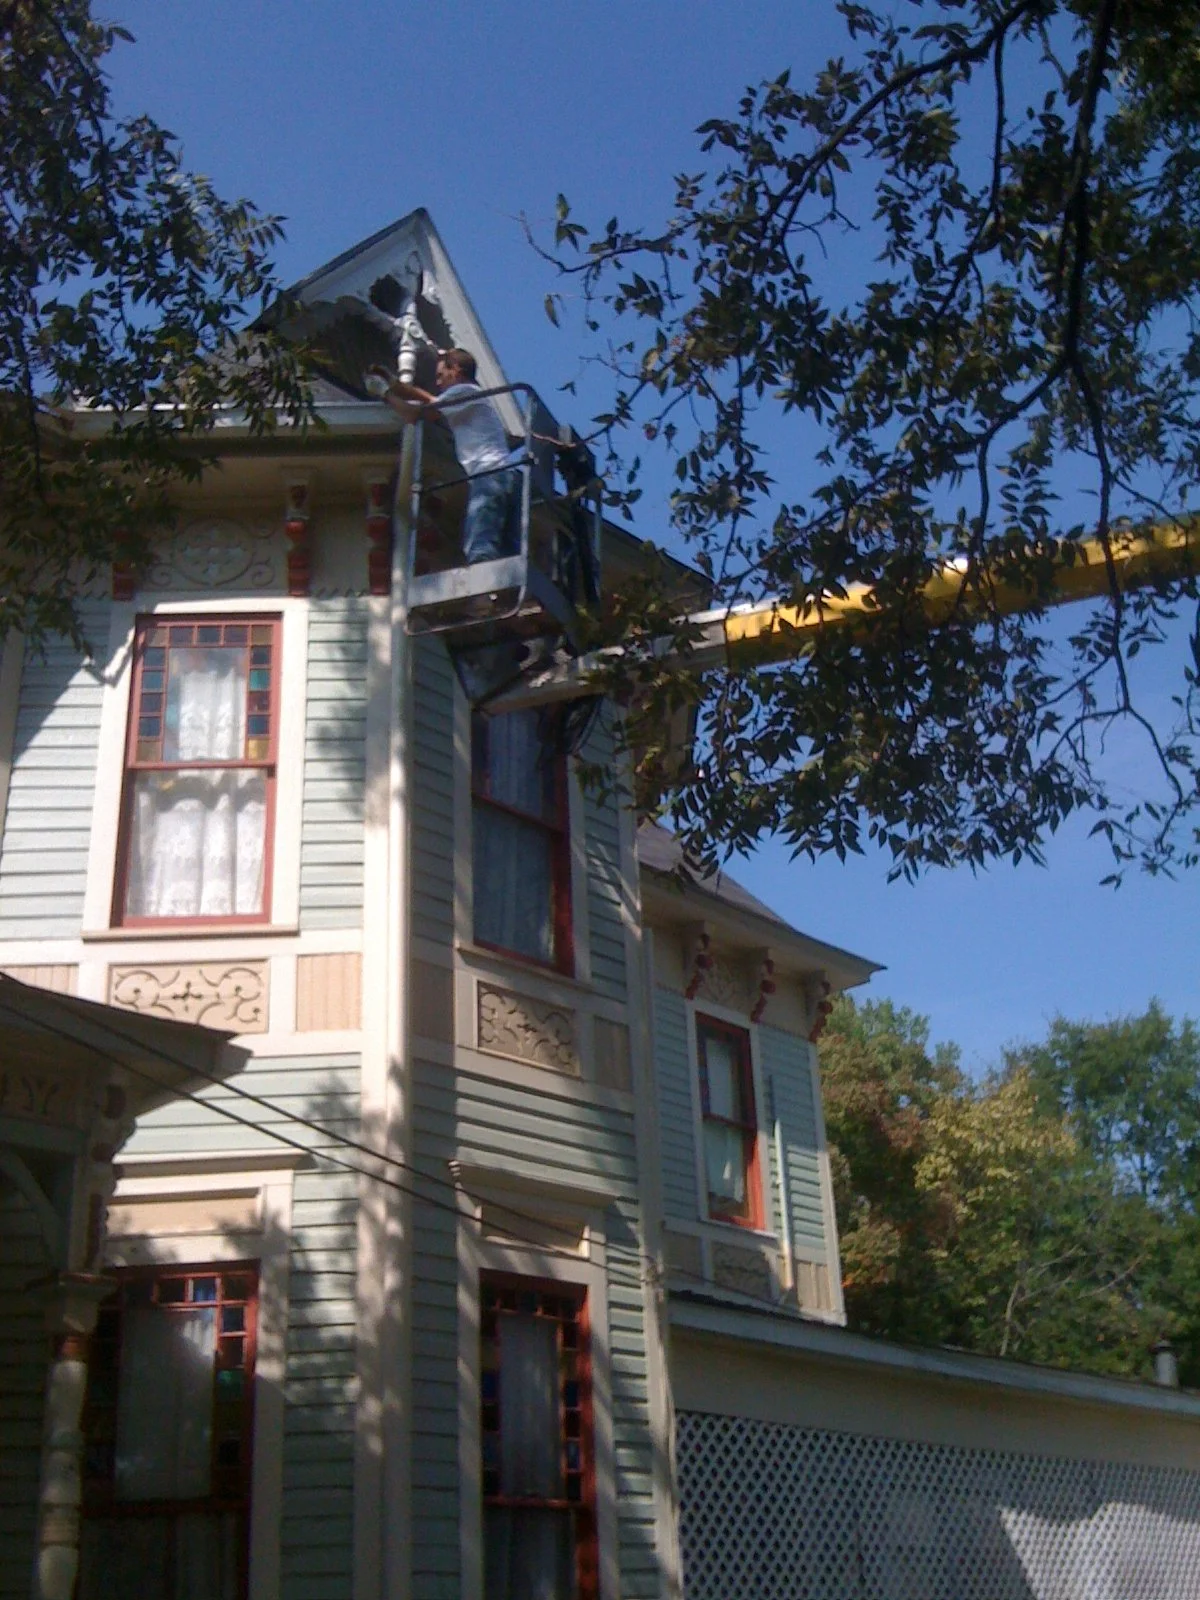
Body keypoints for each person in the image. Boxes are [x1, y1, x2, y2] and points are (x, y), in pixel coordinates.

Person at [373, 348, 520, 565]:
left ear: (456, 371)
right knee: (506, 551)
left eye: (441, 376)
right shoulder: (470, 396)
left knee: (479, 545)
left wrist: (385, 393)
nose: (439, 382)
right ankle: (506, 594)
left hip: (488, 475)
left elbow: (414, 414)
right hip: (505, 475)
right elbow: (430, 402)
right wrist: (394, 383)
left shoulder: (464, 391)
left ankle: (483, 594)